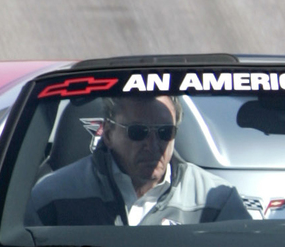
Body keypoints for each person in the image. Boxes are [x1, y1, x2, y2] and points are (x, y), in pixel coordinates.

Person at [26, 94, 249, 226]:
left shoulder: (218, 201)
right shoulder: (52, 197)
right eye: (138, 132)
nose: (152, 145)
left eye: (164, 132)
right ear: (109, 134)